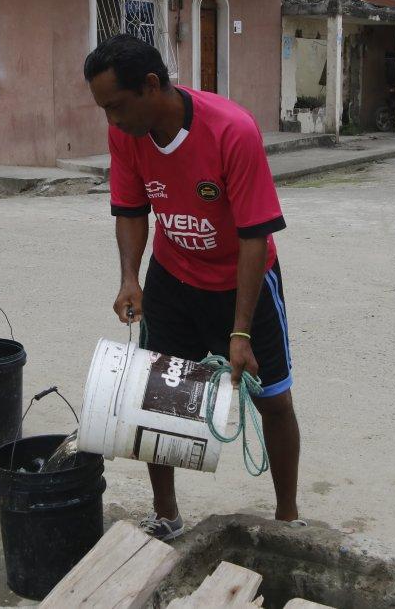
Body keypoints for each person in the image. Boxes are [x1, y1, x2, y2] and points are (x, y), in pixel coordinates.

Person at [84, 35, 300, 540]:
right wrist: (129, 279)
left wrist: (240, 332)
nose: (111, 121)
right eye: (104, 110)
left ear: (152, 86)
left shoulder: (232, 130)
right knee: (156, 399)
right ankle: (166, 514)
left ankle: (289, 517)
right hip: (174, 279)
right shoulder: (126, 135)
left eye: (116, 106)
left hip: (242, 281)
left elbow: (254, 235)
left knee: (274, 402)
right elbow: (132, 210)